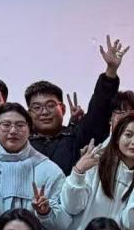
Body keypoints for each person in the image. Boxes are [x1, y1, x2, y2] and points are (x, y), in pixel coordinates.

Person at [59, 113, 134, 230]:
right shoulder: (96, 165)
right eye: (128, 135)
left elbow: (133, 223)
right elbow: (71, 207)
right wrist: (78, 172)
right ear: (117, 138)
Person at [26, 35, 128, 174]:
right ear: (29, 113)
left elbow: (99, 110)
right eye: (37, 107)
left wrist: (111, 71)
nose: (44, 112)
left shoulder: (77, 136)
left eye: (50, 105)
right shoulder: (21, 143)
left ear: (62, 109)